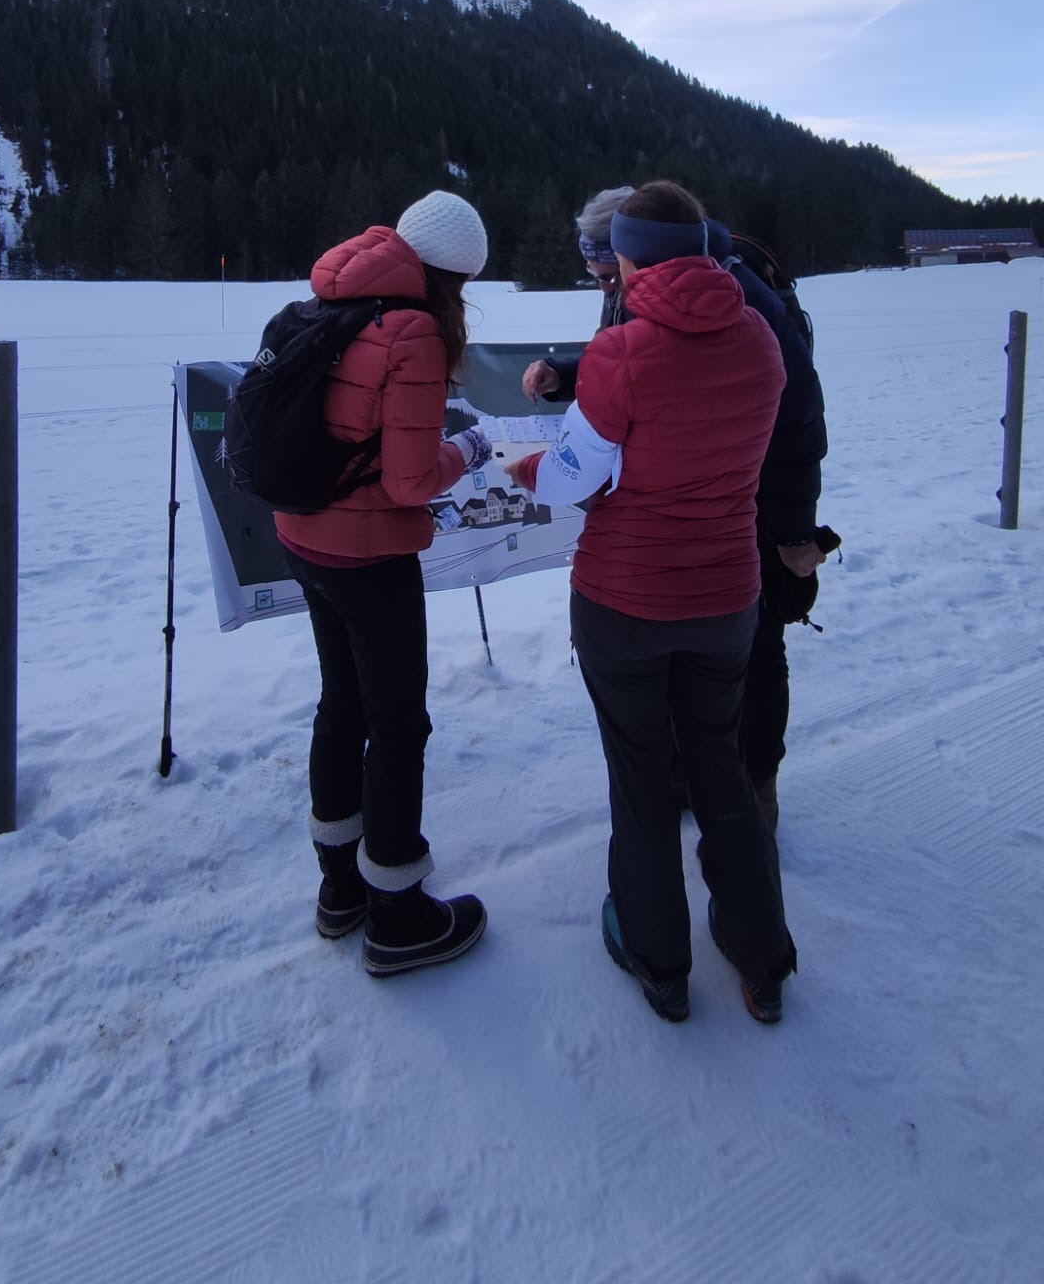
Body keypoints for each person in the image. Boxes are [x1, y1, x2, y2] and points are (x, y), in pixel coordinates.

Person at [507, 180, 797, 1024]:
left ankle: (657, 957)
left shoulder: (625, 352)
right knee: (722, 771)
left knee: (641, 779)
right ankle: (762, 959)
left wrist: (533, 468)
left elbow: (571, 480)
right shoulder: (760, 339)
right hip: (726, 600)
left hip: (626, 602)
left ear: (628, 259)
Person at [523, 188, 828, 828]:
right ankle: (696, 782)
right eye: (599, 278)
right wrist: (571, 373)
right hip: (698, 507)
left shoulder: (750, 303)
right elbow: (656, 359)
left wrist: (795, 527)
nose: (607, 288)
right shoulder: (647, 288)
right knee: (695, 660)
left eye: (611, 273)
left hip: (750, 501)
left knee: (757, 650)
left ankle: (754, 790)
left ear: (643, 256)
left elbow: (800, 417)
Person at [277, 191, 492, 978]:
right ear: (450, 277)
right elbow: (408, 483)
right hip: (369, 559)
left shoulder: (332, 297)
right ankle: (399, 913)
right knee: (398, 726)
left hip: (305, 538)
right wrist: (466, 452)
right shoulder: (412, 332)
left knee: (342, 706)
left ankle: (340, 889)